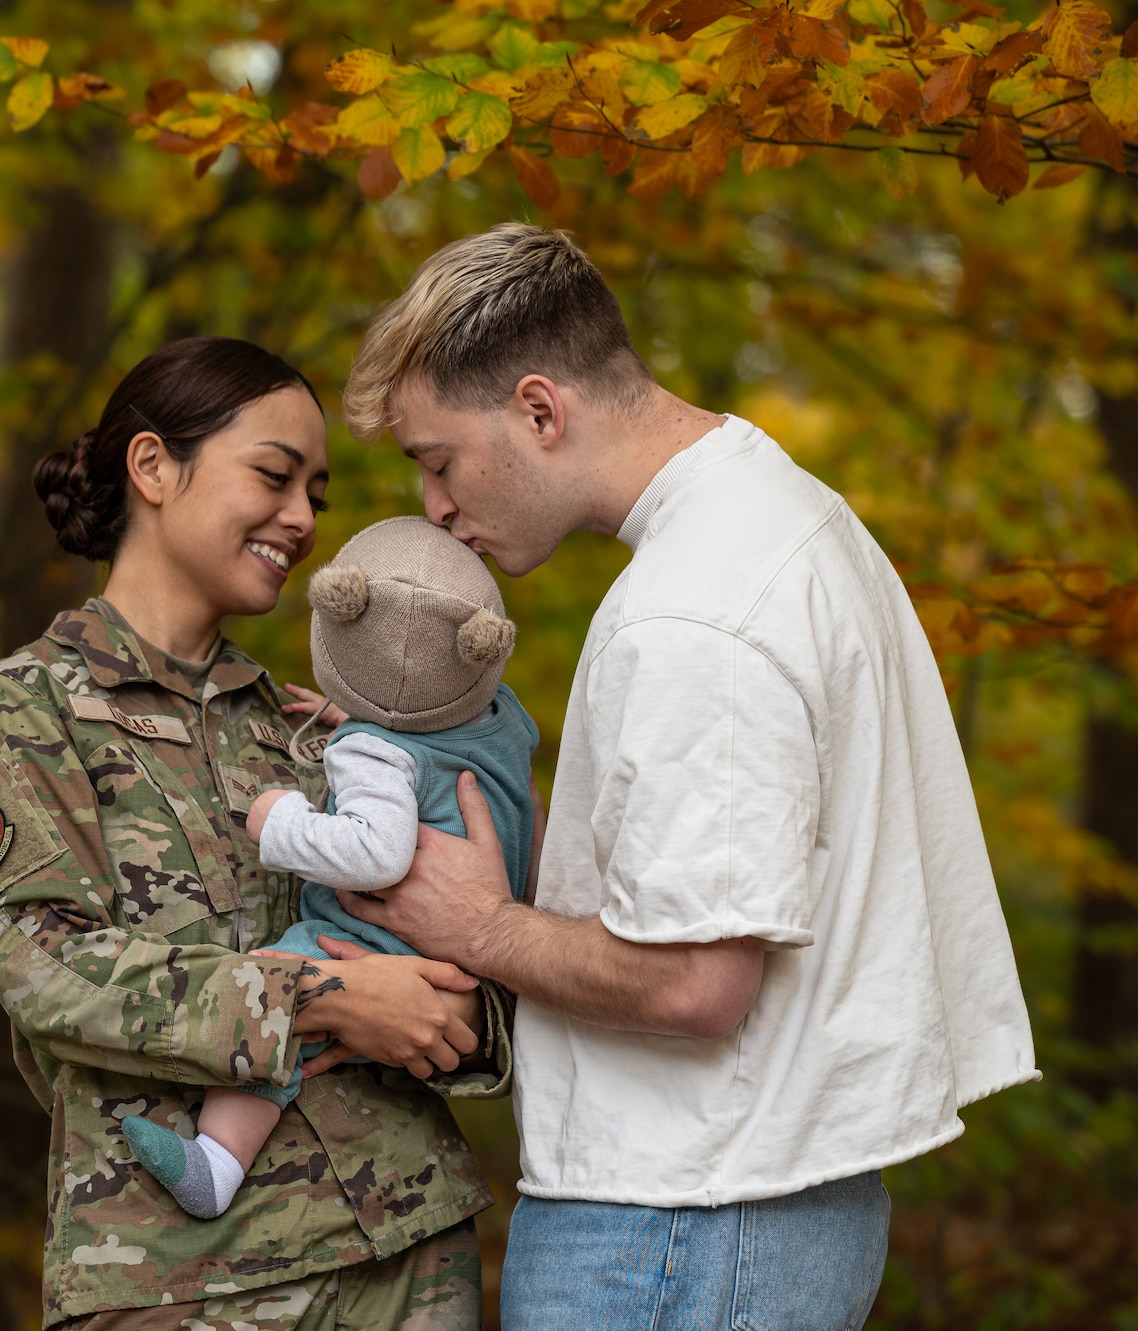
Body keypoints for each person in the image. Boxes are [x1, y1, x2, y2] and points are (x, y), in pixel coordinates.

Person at [331, 225, 1040, 1330]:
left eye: (436, 459)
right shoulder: (784, 519)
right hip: (750, 1197)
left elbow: (695, 980)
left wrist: (481, 923)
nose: (432, 506)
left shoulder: (690, 613)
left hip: (679, 1218)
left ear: (537, 409)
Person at [0, 336, 512, 1330]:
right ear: (153, 466)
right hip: (185, 1277)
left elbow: (435, 933)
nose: (300, 520)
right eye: (274, 476)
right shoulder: (28, 709)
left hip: (410, 1249)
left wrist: (458, 1011)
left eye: (315, 496)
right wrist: (320, 997)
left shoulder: (317, 728)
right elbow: (48, 970)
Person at [119, 516, 541, 1220]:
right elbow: (429, 725)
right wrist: (366, 716)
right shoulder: (505, 716)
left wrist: (277, 818)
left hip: (381, 942)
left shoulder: (374, 750)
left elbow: (377, 854)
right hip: (475, 948)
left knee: (280, 977)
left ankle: (216, 1164)